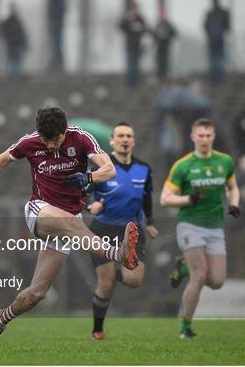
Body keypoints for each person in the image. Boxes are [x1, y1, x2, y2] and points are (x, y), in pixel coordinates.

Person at [0, 107, 139, 350]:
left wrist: (89, 178)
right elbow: (1, 160)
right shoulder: (30, 143)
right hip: (40, 211)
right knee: (72, 223)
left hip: (68, 221)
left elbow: (109, 169)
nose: (50, 145)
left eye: (55, 140)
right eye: (45, 140)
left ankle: (2, 317)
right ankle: (119, 254)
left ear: (65, 130)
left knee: (36, 294)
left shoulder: (81, 138)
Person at [160, 118, 240, 339]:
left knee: (216, 281)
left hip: (215, 227)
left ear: (213, 137)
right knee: (200, 275)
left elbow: (233, 188)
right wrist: (187, 199)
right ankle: (185, 327)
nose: (204, 139)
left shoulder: (225, 162)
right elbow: (165, 199)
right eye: (200, 135)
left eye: (208, 135)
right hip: (190, 225)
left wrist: (234, 204)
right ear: (193, 137)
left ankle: (183, 266)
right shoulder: (183, 165)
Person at [87, 122, 159, 340]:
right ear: (112, 141)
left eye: (129, 135)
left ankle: (115, 270)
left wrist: (150, 222)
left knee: (133, 281)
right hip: (103, 229)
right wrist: (91, 206)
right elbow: (82, 193)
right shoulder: (102, 168)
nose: (125, 139)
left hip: (132, 230)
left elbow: (146, 198)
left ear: (133, 141)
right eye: (120, 136)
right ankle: (97, 330)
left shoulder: (144, 169)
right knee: (106, 284)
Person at [119, 2, 147, 87]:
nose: (133, 11)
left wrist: (139, 27)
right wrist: (129, 23)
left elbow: (145, 29)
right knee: (130, 64)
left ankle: (135, 83)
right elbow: (120, 26)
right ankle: (130, 83)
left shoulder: (140, 19)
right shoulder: (126, 19)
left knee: (136, 65)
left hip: (138, 45)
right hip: (129, 45)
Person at [204, 0, 230, 85]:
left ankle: (220, 80)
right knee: (212, 61)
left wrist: (220, 33)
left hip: (220, 41)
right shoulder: (209, 14)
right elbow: (205, 26)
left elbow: (227, 26)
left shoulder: (224, 13)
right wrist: (211, 34)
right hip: (212, 41)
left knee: (219, 61)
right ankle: (213, 80)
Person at [0, 1, 28, 77]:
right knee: (12, 62)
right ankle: (12, 75)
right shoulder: (9, 22)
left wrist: (25, 44)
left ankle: (14, 75)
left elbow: (22, 34)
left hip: (17, 45)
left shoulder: (17, 21)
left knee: (15, 62)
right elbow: (3, 33)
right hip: (12, 45)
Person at [153, 8, 177, 81]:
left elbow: (174, 33)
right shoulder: (158, 23)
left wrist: (167, 35)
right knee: (159, 60)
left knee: (165, 60)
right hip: (159, 45)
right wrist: (158, 35)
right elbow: (153, 34)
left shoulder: (168, 24)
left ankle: (165, 75)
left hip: (166, 45)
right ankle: (160, 75)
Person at [47, 0, 67, 71]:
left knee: (57, 43)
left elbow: (60, 10)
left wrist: (55, 21)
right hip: (54, 23)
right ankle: (55, 61)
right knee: (55, 43)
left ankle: (58, 63)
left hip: (56, 23)